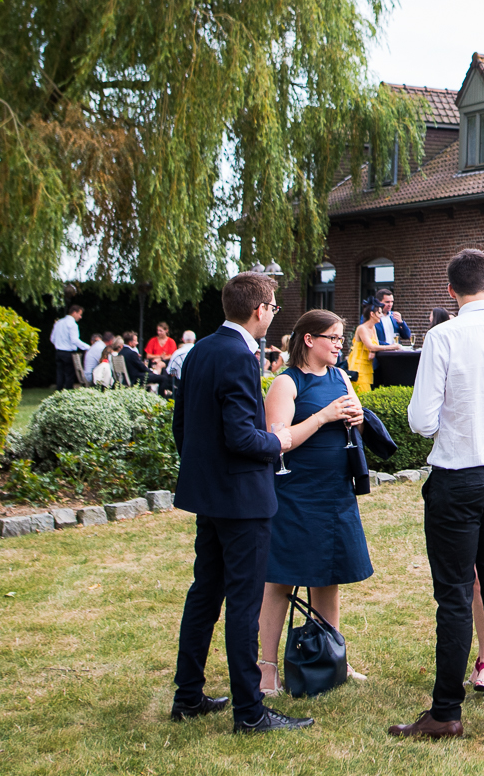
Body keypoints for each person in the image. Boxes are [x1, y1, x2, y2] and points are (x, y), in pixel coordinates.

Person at [388, 248, 484, 740]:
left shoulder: (443, 336)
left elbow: (419, 420)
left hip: (458, 476)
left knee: (455, 594)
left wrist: (452, 429)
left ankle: (446, 712)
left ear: (451, 290)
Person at [169, 273, 311, 734]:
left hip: (208, 494)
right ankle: (250, 713)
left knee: (205, 594)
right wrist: (279, 441)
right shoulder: (238, 356)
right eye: (271, 306)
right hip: (241, 499)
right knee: (243, 604)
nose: (273, 313)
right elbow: (240, 436)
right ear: (259, 310)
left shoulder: (201, 351)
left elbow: (182, 428)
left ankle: (187, 696)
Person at [257, 310, 383, 695]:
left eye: (341, 338)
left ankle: (333, 659)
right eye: (332, 337)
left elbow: (352, 423)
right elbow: (276, 442)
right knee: (280, 580)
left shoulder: (341, 376)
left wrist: (359, 418)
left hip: (335, 493)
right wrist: (324, 416)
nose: (339, 344)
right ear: (309, 339)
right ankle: (266, 670)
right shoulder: (286, 383)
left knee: (330, 576)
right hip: (296, 495)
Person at [347, 300, 384, 396]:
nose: (381, 315)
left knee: (366, 394)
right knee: (361, 394)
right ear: (372, 314)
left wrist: (373, 351)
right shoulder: (362, 328)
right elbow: (371, 346)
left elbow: (376, 346)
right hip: (359, 367)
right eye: (379, 312)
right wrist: (394, 346)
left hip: (367, 366)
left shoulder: (373, 328)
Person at [50, 302, 89, 390]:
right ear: (74, 312)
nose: (80, 317)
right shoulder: (72, 324)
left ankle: (58, 392)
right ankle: (68, 393)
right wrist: (88, 347)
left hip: (59, 352)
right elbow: (74, 340)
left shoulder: (59, 322)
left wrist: (59, 344)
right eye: (79, 314)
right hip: (68, 353)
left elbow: (52, 339)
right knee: (69, 374)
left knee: (59, 374)